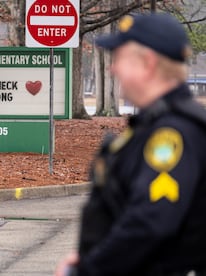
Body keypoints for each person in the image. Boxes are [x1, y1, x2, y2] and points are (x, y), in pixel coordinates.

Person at [56, 13, 206, 276]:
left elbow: (150, 223)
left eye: (120, 58)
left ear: (147, 63)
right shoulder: (153, 125)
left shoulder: (172, 133)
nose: (113, 68)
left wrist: (89, 269)